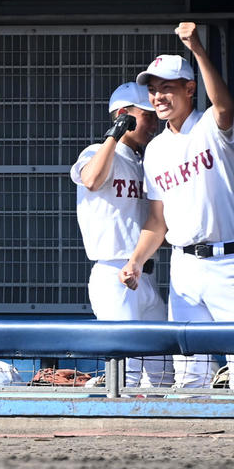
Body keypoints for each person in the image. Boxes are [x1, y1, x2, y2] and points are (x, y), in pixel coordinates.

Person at [120, 23, 234, 390]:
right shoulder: (155, 150)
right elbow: (156, 220)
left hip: (229, 264)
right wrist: (135, 260)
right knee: (188, 376)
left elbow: (225, 105)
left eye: (167, 88)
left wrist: (196, 48)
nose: (158, 97)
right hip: (183, 265)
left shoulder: (211, 129)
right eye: (152, 90)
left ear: (189, 89)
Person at [70, 82, 173, 389]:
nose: (154, 124)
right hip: (114, 272)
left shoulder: (147, 160)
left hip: (146, 273)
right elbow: (90, 179)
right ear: (124, 115)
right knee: (125, 373)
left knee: (163, 371)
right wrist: (114, 133)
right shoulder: (98, 152)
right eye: (146, 116)